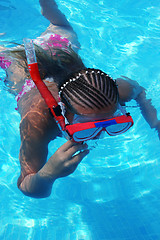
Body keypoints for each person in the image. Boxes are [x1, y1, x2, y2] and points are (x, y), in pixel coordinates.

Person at [0, 0, 159, 198]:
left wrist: (156, 123)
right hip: (22, 69)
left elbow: (140, 92)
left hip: (59, 48)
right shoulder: (37, 121)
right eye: (86, 128)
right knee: (6, 56)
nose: (100, 134)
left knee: (62, 28)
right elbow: (25, 184)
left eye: (115, 122)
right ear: (62, 112)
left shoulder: (119, 91)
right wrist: (48, 175)